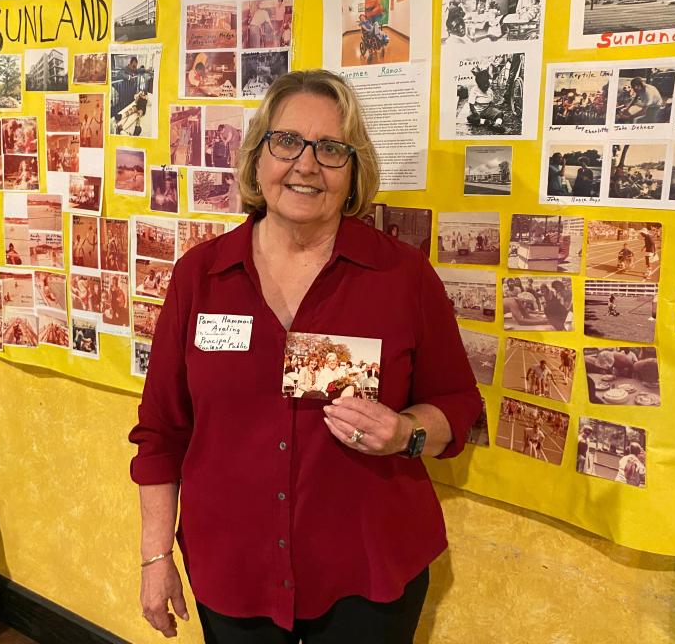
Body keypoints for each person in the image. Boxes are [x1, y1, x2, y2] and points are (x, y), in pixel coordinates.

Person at [129, 69, 481, 642]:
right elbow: (162, 432)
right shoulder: (201, 275)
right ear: (258, 156)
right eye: (287, 141)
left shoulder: (401, 276)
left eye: (332, 149)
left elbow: (458, 401)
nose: (306, 164)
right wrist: (154, 558)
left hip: (367, 574)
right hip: (232, 571)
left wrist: (406, 434)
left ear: (353, 170)